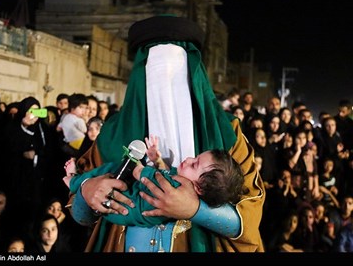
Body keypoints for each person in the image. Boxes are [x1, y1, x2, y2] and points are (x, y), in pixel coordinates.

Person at [70, 15, 265, 252]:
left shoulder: (227, 133)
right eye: (156, 72)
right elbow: (81, 216)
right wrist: (86, 190)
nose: (165, 84)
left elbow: (248, 219)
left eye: (176, 72)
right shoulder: (111, 134)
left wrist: (195, 209)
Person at [64, 135, 245, 227]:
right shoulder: (185, 182)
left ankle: (73, 180)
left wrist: (132, 161)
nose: (189, 159)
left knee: (111, 169)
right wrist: (157, 160)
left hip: (124, 207)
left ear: (199, 187)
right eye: (195, 157)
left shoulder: (176, 187)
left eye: (194, 164)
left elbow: (144, 174)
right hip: (128, 208)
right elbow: (166, 173)